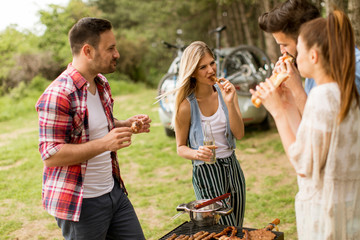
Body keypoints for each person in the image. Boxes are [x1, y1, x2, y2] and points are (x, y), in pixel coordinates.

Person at [35, 17, 151, 240]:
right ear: (88, 51)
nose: (117, 54)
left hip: (113, 193)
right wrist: (105, 144)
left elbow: (93, 126)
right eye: (111, 48)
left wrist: (125, 125)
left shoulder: (101, 83)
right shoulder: (58, 95)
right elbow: (50, 155)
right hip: (81, 204)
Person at [252, 10, 360, 239]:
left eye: (298, 50)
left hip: (327, 216)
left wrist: (278, 112)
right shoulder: (340, 92)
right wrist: (288, 102)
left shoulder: (323, 96)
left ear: (314, 56)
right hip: (345, 209)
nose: (294, 57)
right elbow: (309, 141)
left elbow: (303, 164)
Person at [163, 41, 246, 226]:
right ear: (192, 71)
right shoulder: (186, 106)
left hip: (232, 167)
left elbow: (239, 134)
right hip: (206, 173)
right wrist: (196, 153)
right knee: (221, 228)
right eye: (203, 67)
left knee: (237, 227)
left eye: (212, 63)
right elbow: (180, 148)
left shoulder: (226, 94)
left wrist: (230, 102)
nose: (211, 70)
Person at [258, 0, 360, 117]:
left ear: (305, 39)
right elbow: (305, 129)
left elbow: (323, 130)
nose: (282, 52)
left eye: (285, 45)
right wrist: (288, 95)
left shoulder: (351, 68)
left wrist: (297, 91)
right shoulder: (314, 71)